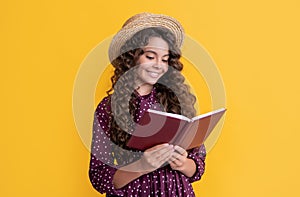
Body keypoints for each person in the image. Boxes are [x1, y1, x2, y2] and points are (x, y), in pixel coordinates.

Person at [89, 13, 206, 197]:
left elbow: (197, 165)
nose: (159, 65)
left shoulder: (177, 102)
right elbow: (99, 176)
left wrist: (183, 164)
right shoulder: (108, 108)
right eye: (151, 57)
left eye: (165, 59)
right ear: (132, 57)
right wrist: (142, 165)